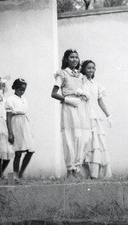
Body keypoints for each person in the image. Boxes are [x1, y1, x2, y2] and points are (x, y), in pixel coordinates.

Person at [51, 49, 91, 179]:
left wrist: (84, 95)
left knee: (82, 138)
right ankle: (69, 171)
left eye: (76, 57)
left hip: (80, 107)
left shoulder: (80, 76)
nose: (75, 60)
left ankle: (77, 169)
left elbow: (84, 90)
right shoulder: (62, 74)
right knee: (69, 138)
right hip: (68, 106)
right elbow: (53, 93)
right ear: (66, 59)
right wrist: (67, 99)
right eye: (72, 57)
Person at [80, 60, 112, 179]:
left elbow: (100, 101)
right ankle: (85, 173)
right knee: (86, 143)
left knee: (97, 143)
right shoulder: (80, 82)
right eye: (88, 68)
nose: (91, 70)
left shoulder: (96, 84)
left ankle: (97, 173)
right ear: (83, 69)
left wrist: (108, 115)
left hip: (95, 115)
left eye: (93, 68)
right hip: (84, 114)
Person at [6, 78, 34, 179]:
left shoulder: (24, 99)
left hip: (24, 123)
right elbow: (8, 117)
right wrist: (10, 133)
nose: (22, 90)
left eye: (24, 88)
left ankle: (21, 172)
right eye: (20, 88)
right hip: (16, 123)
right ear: (16, 87)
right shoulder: (10, 99)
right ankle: (15, 175)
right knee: (18, 152)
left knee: (30, 150)